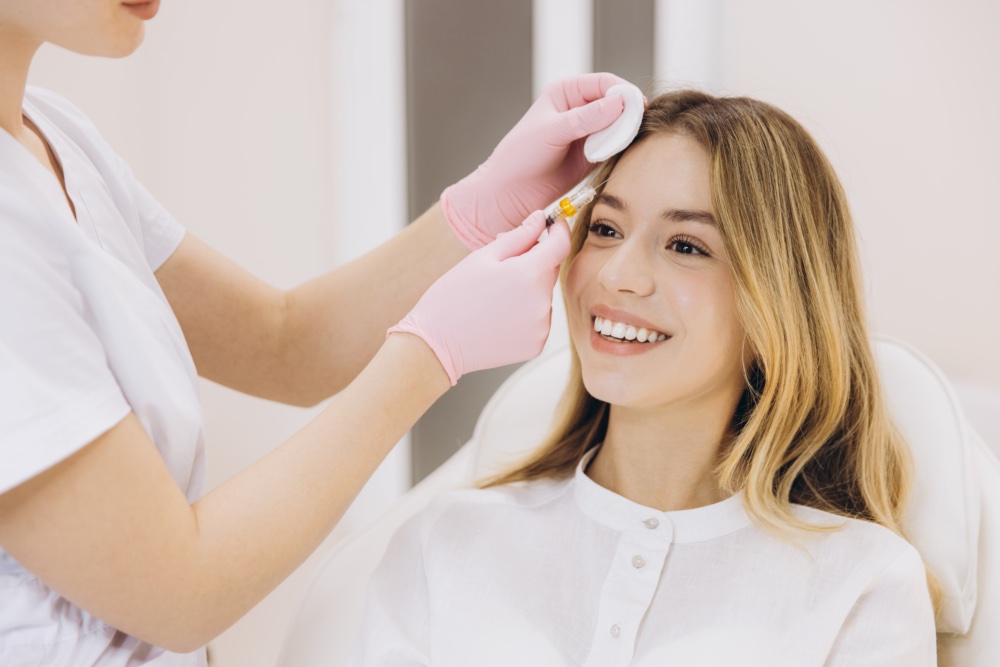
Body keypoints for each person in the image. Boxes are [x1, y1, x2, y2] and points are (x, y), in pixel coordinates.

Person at [0, 1, 632, 665]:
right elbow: (178, 591)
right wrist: (432, 352)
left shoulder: (52, 137)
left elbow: (285, 343)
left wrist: (476, 212)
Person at [348, 90, 940, 666]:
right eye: (605, 230)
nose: (619, 275)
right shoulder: (445, 542)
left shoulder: (865, 584)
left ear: (779, 306)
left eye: (685, 244)